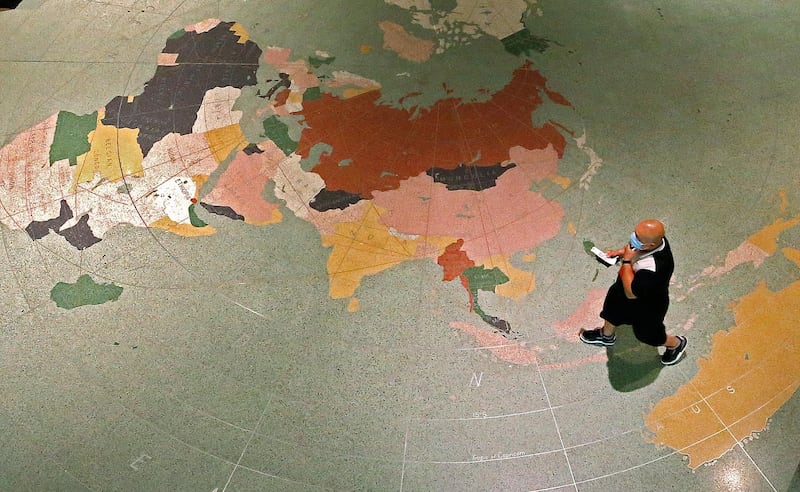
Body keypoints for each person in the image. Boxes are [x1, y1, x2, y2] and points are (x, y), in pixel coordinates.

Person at [580, 219, 687, 365]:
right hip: (623, 288)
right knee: (612, 310)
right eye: (635, 235)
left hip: (647, 304)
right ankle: (606, 336)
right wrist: (619, 252)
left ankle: (675, 343)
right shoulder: (653, 241)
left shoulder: (655, 268)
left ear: (651, 245)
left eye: (637, 239)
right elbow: (633, 248)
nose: (633, 239)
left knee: (648, 335)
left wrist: (626, 261)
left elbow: (631, 292)